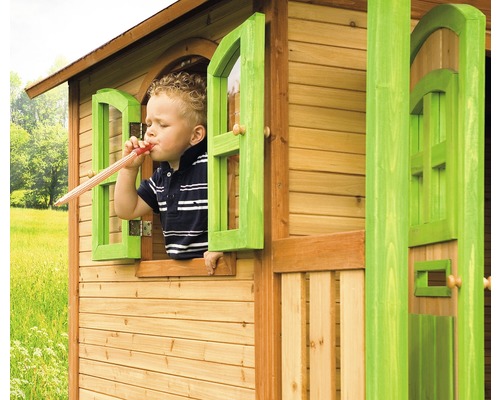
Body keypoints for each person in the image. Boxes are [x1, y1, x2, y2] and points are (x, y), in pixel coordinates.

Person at [114, 72, 223, 275]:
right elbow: (126, 210)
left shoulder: (211, 165)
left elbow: (236, 209)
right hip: (179, 272)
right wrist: (129, 169)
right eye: (149, 124)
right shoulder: (161, 177)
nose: (150, 132)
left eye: (162, 125)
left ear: (195, 135)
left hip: (216, 268)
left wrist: (224, 247)